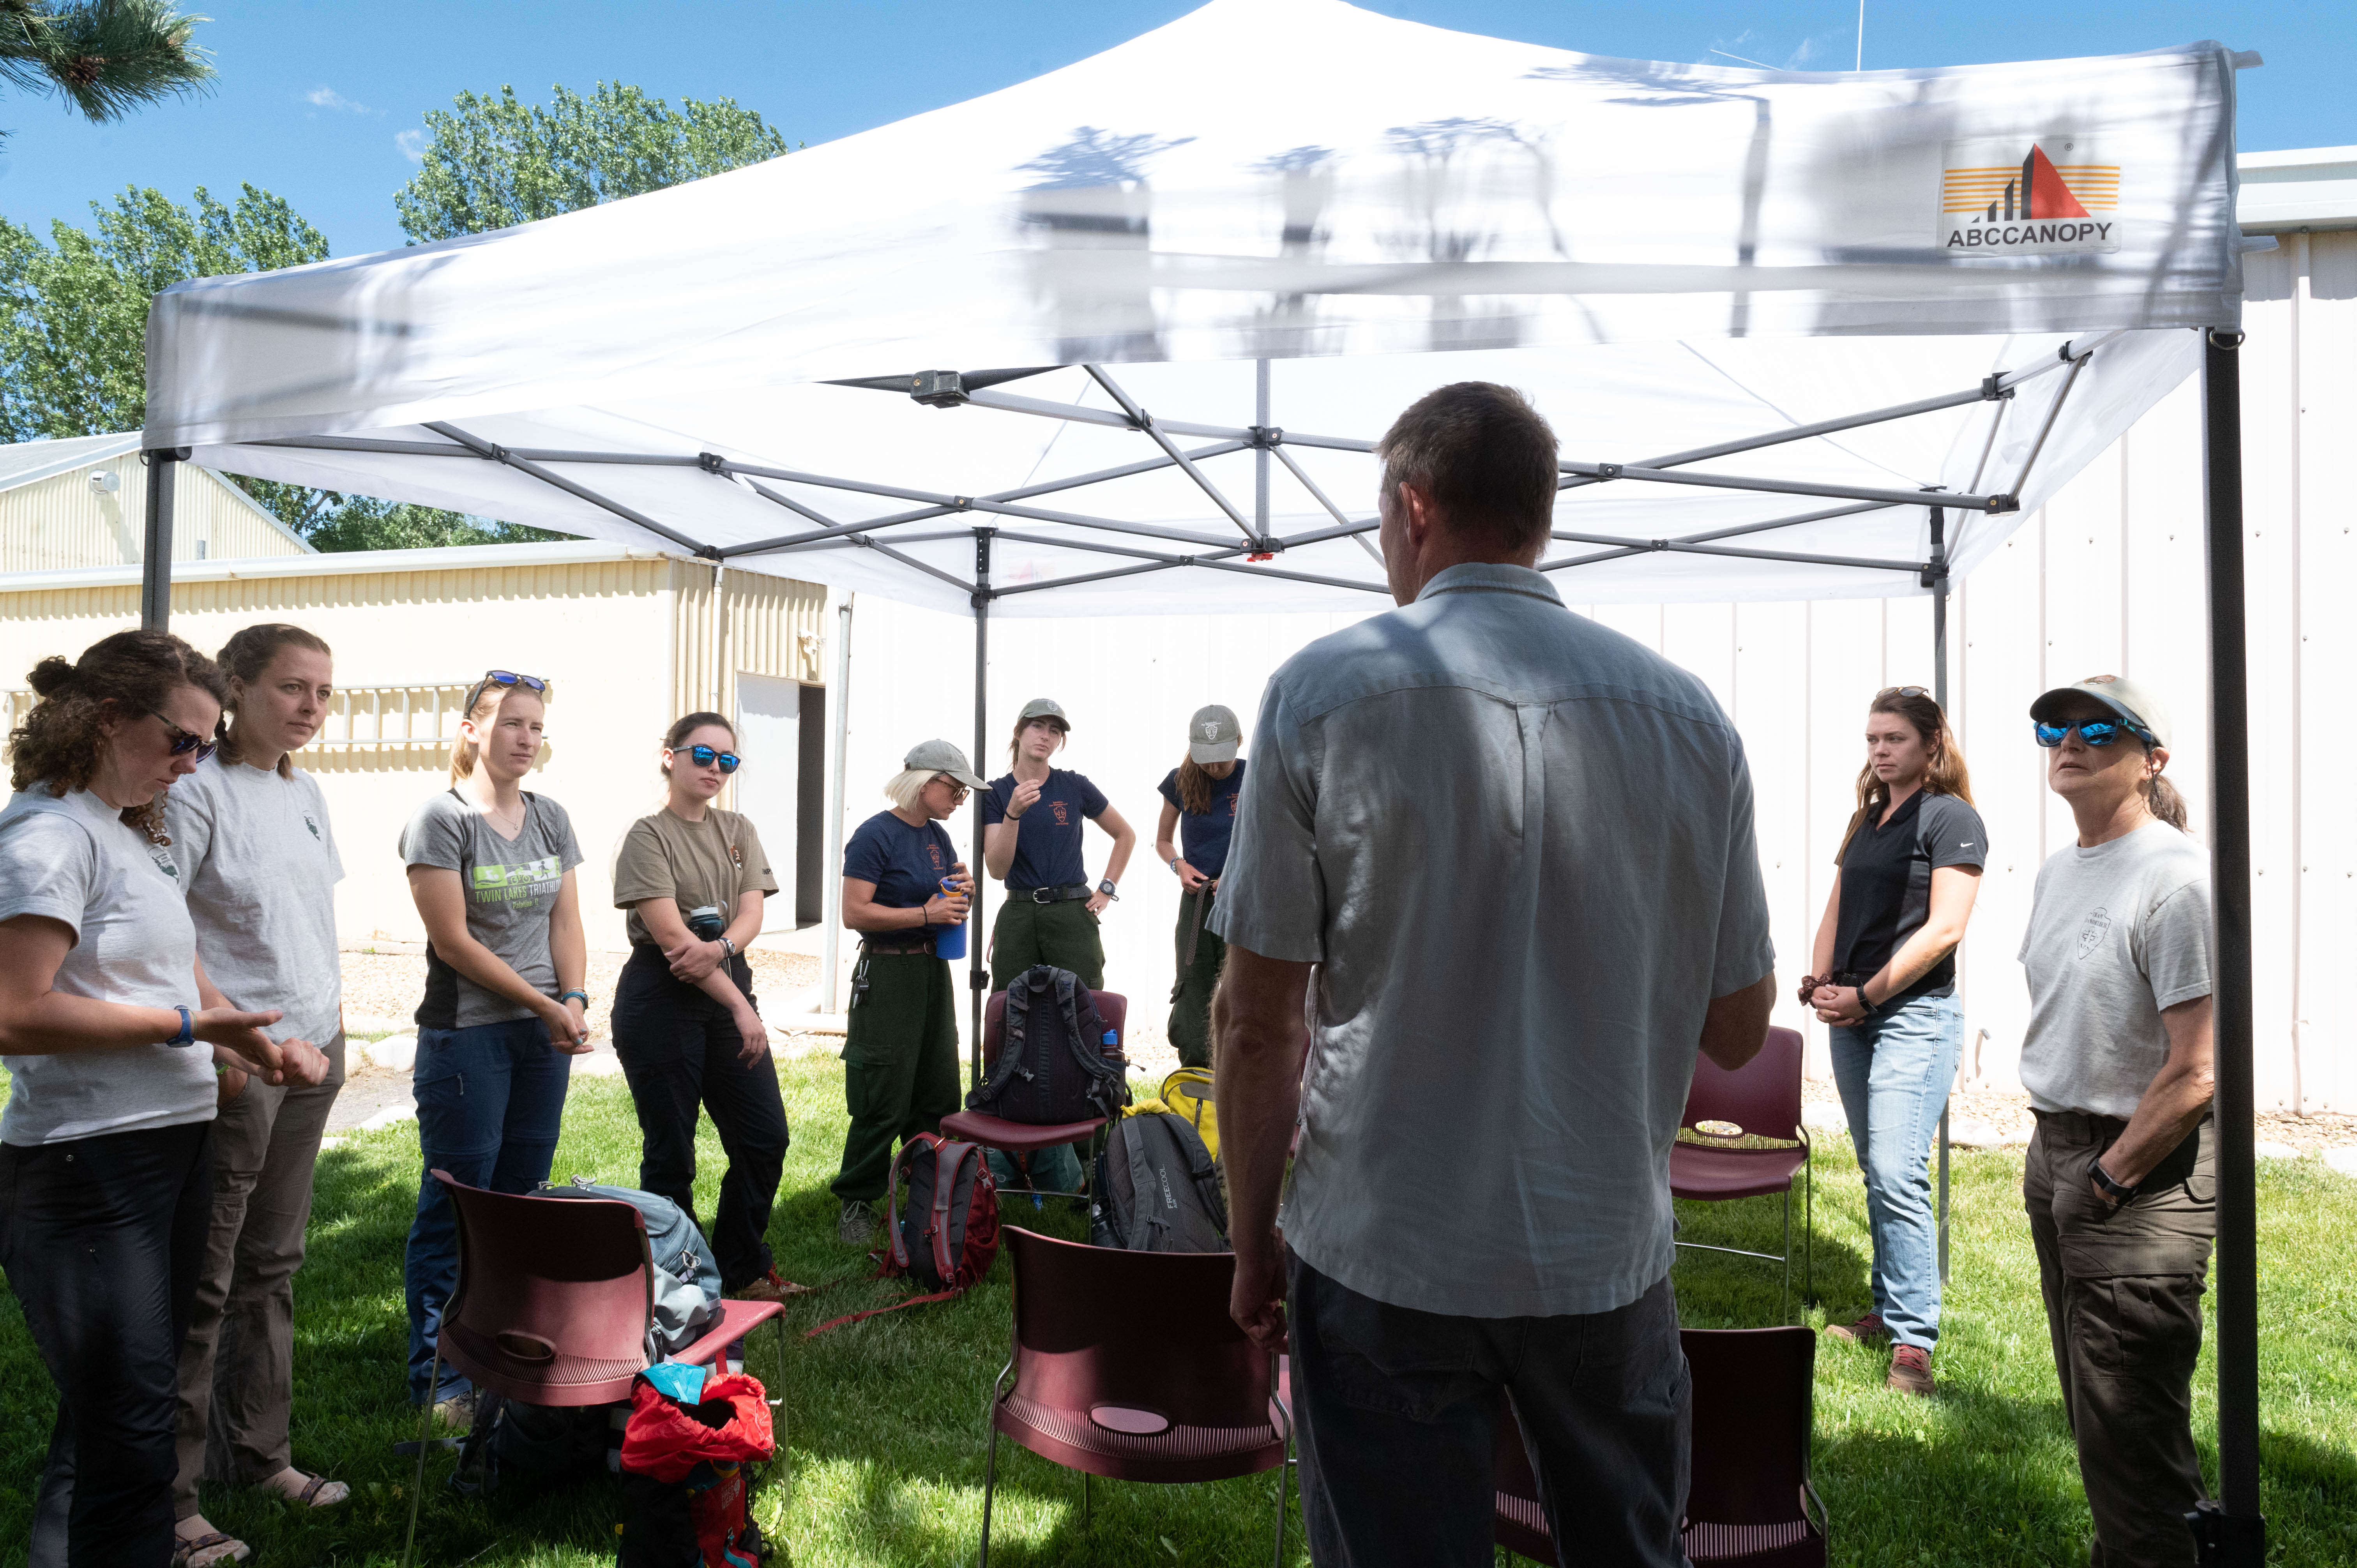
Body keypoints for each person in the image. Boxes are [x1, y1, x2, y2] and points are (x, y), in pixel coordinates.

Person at [1211, 382, 1776, 1568]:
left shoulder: (1321, 692)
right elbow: (1736, 1027)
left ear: (1414, 509)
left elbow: (1256, 1023)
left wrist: (1253, 1242)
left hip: (1384, 1244)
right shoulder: (1688, 717)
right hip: (1603, 1246)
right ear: (1538, 515)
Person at [0, 630, 325, 1568]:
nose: (194, 760)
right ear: (104, 719)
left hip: (165, 1145)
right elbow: (17, 1012)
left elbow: (183, 979)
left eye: (205, 740)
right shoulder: (49, 834)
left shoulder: (128, 827)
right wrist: (187, 1030)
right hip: (87, 1161)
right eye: (181, 739)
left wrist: (254, 1039)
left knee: (116, 1409)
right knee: (131, 1413)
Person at [165, 624, 353, 1565]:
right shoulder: (193, 788)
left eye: (323, 689)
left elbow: (305, 915)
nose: (311, 704)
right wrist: (240, 1032)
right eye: (292, 686)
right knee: (206, 1271)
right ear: (235, 685)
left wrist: (324, 1024)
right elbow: (171, 927)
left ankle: (259, 1451)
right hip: (240, 1060)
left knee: (273, 1263)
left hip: (318, 1046)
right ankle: (173, 1497)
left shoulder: (303, 787)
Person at [2018, 675, 2214, 1568]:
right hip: (2055, 1149)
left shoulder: (2174, 880)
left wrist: (2109, 1175)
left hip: (2137, 1173)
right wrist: (2064, 1170)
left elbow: (2197, 1067)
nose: (2072, 737)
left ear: (2151, 760)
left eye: (2101, 726)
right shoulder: (2062, 869)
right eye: (2056, 724)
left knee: (2132, 1436)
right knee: (2102, 1422)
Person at [398, 669, 590, 1426]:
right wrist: (548, 1004)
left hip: (543, 1033)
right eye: (511, 722)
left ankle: (499, 1359)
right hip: (468, 1034)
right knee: (457, 1203)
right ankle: (439, 1377)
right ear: (473, 729)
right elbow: (453, 941)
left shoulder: (551, 817)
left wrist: (572, 999)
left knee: (517, 1204)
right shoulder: (440, 819)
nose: (525, 737)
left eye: (536, 725)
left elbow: (567, 922)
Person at [1797, 686, 1984, 1395]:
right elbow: (1836, 907)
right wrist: (1821, 979)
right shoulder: (1866, 817)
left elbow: (1944, 929)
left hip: (1913, 1015)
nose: (1879, 750)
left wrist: (1866, 992)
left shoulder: (1950, 818)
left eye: (1894, 739)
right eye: (1872, 738)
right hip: (1854, 1017)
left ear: (1930, 744)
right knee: (1878, 1165)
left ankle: (1913, 1340)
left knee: (1898, 1169)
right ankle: (1885, 1305)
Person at [610, 713, 807, 1302]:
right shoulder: (648, 835)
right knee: (672, 1152)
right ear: (669, 756)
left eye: (728, 760)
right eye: (703, 755)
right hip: (661, 998)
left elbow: (750, 913)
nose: (715, 769)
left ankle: (740, 1267)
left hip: (724, 975)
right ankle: (679, 1288)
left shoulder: (738, 828)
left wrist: (722, 949)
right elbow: (675, 948)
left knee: (765, 1137)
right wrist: (741, 1007)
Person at [832, 740, 982, 1245]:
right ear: (925, 781)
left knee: (937, 1088)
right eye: (956, 789)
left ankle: (927, 1193)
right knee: (883, 1094)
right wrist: (926, 915)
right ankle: (858, 1200)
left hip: (931, 972)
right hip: (889, 974)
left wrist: (961, 891)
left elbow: (942, 900)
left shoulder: (938, 837)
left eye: (964, 793)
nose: (961, 799)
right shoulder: (876, 835)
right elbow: (855, 912)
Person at [980, 697, 1137, 992]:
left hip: (1072, 913)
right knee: (1011, 1004)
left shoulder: (1074, 785)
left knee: (1083, 1004)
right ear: (1018, 732)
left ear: (1060, 741)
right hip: (1020, 912)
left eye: (1055, 731)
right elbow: (997, 870)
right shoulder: (997, 793)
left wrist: (1107, 889)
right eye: (1037, 726)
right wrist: (1013, 813)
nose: (1045, 736)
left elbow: (1125, 835)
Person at [1154, 703, 1246, 1071]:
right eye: (1206, 759)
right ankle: (1197, 1080)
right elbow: (1162, 842)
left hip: (1243, 901)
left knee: (1242, 988)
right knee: (1194, 991)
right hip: (1199, 902)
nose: (1215, 768)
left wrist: (1238, 875)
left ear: (1239, 743)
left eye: (1222, 759)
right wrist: (1179, 866)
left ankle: (1240, 1076)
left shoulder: (1255, 776)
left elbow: (1272, 839)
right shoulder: (1181, 781)